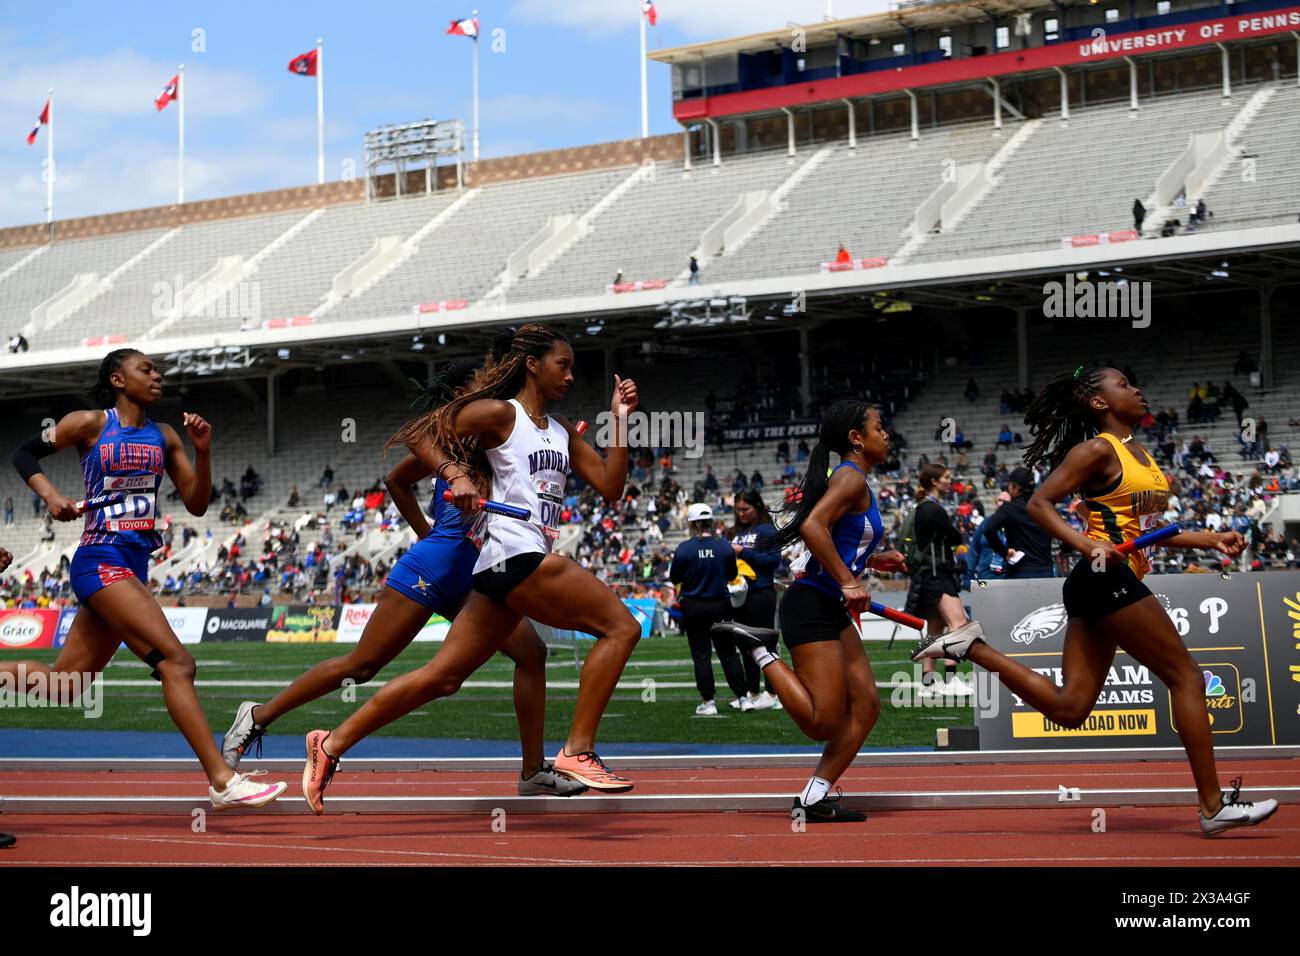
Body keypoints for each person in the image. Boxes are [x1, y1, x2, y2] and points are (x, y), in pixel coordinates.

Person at [913, 365, 1276, 835]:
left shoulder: (1138, 454)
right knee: (1186, 677)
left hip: (1103, 578)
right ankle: (1212, 806)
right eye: (1124, 384)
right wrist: (1087, 545)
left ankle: (971, 647)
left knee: (1070, 708)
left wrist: (1209, 539)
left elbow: (1142, 532)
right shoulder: (1096, 449)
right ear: (1099, 403)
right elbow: (1041, 503)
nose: (1138, 389)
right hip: (1105, 577)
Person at [301, 324, 642, 811]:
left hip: (502, 568)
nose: (569, 375)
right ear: (532, 364)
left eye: (572, 368)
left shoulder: (563, 430)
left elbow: (611, 486)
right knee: (621, 627)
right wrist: (456, 472)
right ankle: (577, 751)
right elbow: (418, 436)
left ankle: (329, 744)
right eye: (561, 365)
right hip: (516, 554)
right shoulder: (501, 414)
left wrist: (621, 420)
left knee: (442, 678)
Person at [223, 361, 583, 796]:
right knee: (362, 665)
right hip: (434, 566)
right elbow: (396, 478)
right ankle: (258, 716)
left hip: (479, 572)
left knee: (532, 654)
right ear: (457, 394)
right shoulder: (452, 439)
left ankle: (532, 772)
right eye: (480, 384)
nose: (491, 389)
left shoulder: (501, 432)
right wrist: (428, 534)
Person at [4, 349, 286, 810]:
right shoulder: (90, 423)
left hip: (132, 566)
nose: (158, 377)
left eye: (158, 371)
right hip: (99, 559)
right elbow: (24, 452)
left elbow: (196, 504)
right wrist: (51, 496)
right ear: (118, 378)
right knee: (177, 663)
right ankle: (221, 778)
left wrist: (203, 449)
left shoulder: (166, 435)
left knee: (66, 684)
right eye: (146, 370)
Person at [713, 400, 906, 823]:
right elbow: (811, 527)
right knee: (822, 722)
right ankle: (759, 650)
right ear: (857, 438)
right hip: (812, 604)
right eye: (879, 427)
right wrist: (849, 581)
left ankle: (815, 796)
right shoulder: (851, 478)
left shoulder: (857, 481)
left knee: (868, 705)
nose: (886, 434)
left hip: (827, 603)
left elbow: (833, 541)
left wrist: (873, 560)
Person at [669, 503, 747, 715]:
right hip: (720, 604)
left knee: (701, 655)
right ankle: (743, 697)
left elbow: (674, 577)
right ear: (711, 522)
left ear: (692, 524)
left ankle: (708, 701)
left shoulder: (684, 548)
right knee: (729, 653)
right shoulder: (724, 547)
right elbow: (732, 576)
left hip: (694, 605)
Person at [904, 464, 969, 695]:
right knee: (959, 623)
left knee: (935, 628)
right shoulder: (933, 509)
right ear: (934, 481)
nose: (949, 481)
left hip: (927, 573)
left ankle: (928, 683)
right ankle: (951, 680)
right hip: (937, 573)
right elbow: (955, 536)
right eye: (946, 478)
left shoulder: (921, 507)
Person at [727, 488, 782, 710]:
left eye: (745, 509)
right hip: (739, 594)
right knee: (745, 645)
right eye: (737, 509)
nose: (741, 513)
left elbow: (772, 562)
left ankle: (772, 691)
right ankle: (752, 691)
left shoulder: (767, 531)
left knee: (764, 643)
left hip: (761, 591)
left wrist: (742, 552)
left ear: (756, 507)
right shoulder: (734, 532)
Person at [980, 466, 1055, 578]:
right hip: (1046, 572)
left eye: (1010, 486)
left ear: (1015, 488)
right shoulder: (1046, 508)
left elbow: (988, 529)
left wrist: (1004, 552)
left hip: (1020, 572)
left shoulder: (1009, 508)